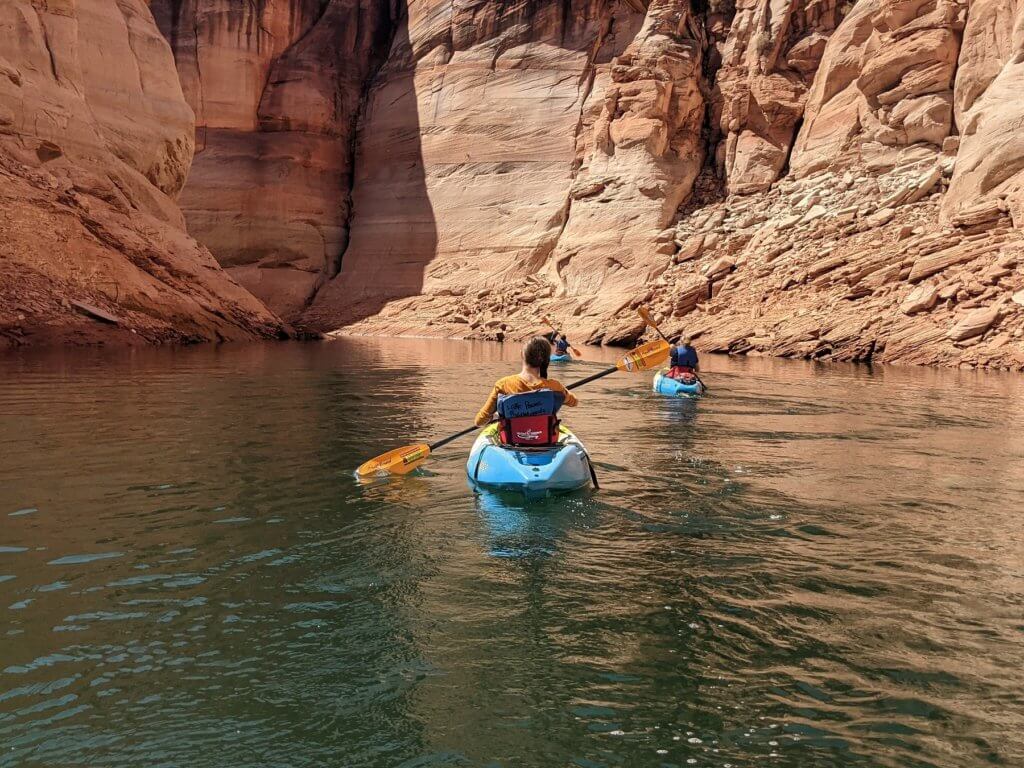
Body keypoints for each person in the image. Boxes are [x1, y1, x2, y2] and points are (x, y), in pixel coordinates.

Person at [475, 336, 578, 428]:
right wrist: (563, 391)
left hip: (512, 441)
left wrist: (495, 416)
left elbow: (479, 421)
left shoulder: (503, 384)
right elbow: (574, 402)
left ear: (522, 354)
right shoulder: (555, 386)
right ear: (546, 360)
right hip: (544, 441)